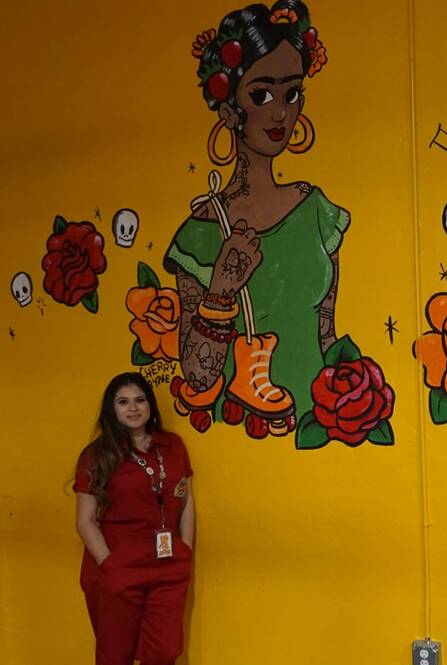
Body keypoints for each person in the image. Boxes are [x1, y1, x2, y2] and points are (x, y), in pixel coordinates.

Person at [166, 0, 347, 440]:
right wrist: (222, 290)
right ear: (228, 111)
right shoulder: (199, 235)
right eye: (262, 95)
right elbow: (198, 378)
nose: (281, 112)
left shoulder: (318, 212)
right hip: (241, 439)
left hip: (318, 432)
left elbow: (326, 336)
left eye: (292, 93)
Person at [73, 372, 196, 665]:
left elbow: (186, 499)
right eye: (123, 401)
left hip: (166, 567)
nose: (132, 408)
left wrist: (185, 550)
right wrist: (109, 564)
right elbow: (86, 520)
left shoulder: (172, 447)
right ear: (112, 409)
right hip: (115, 571)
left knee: (164, 651)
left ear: (150, 406)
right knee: (116, 661)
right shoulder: (97, 456)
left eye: (139, 400)